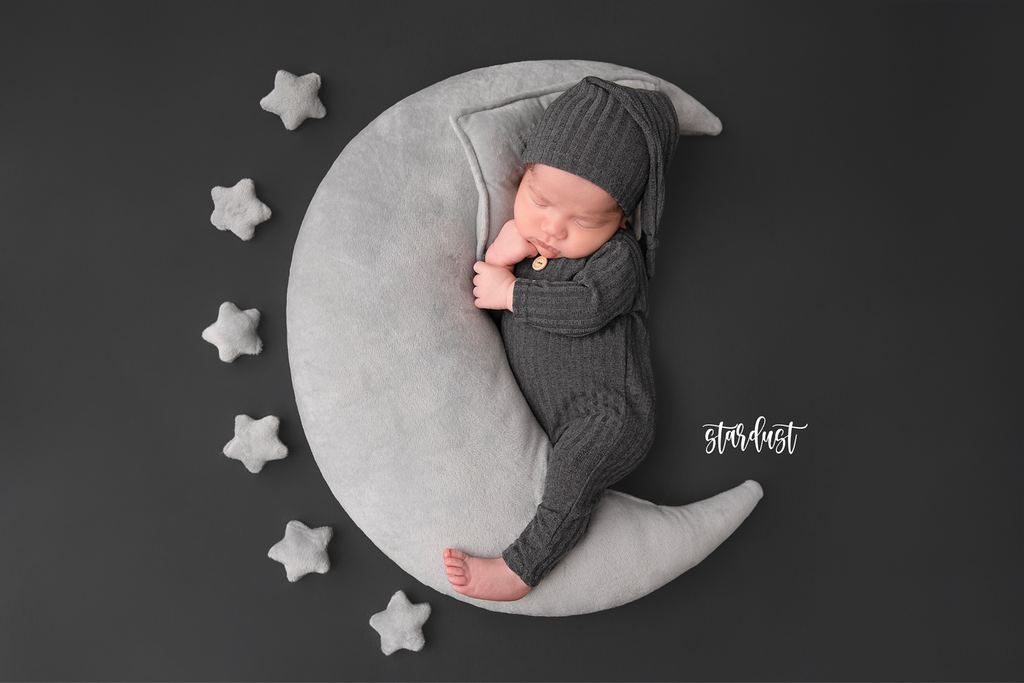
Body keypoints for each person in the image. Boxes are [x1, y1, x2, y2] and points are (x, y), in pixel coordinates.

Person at [444, 76, 679, 601]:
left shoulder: (618, 259)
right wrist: (503, 261)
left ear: (622, 219)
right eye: (540, 200)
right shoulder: (529, 247)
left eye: (584, 219)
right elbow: (484, 296)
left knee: (570, 480)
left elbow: (585, 307)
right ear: (523, 175)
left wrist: (511, 291)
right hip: (551, 410)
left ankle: (522, 570)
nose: (552, 228)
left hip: (608, 414)